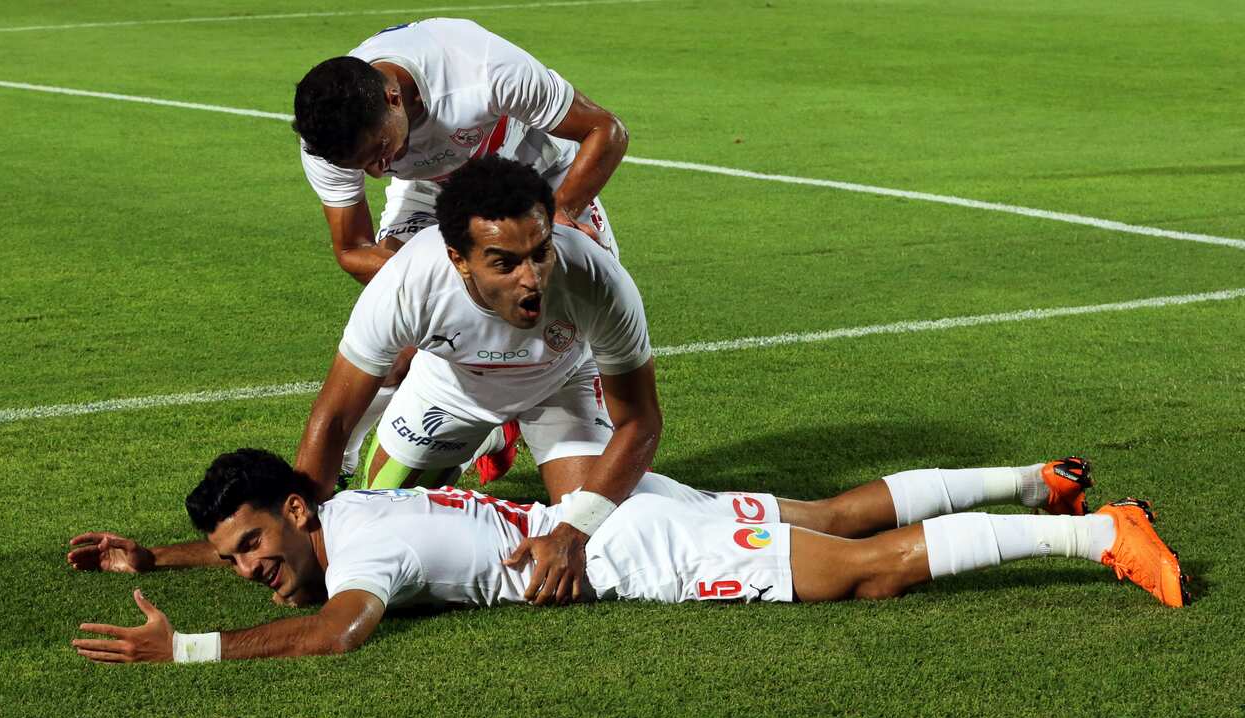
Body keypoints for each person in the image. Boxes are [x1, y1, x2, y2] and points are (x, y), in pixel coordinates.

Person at [67, 450, 1189, 664]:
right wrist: (161, 561)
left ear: (302, 512)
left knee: (867, 566)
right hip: (620, 499)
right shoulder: (345, 507)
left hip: (631, 546)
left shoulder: (371, 544)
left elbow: (336, 623)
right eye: (232, 557)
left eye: (252, 543)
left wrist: (193, 650)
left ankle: (1098, 531)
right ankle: (1032, 478)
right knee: (833, 513)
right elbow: (288, 563)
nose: (246, 564)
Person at [291, 155, 661, 601]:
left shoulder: (596, 278)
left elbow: (640, 421)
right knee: (379, 511)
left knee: (607, 531)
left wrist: (573, 531)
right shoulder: (408, 281)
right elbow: (332, 419)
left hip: (562, 385)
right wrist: (305, 539)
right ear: (459, 260)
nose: (533, 279)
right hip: (454, 389)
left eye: (541, 253)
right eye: (505, 264)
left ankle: (514, 431)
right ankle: (492, 435)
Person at [293, 17, 630, 481]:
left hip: (538, 178)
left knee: (568, 310)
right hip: (433, 192)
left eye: (380, 152)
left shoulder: (477, 68)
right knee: (400, 334)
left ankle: (521, 413)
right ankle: (350, 461)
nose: (376, 171)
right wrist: (437, 290)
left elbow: (606, 131)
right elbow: (353, 248)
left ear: (394, 97)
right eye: (363, 165)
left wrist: (560, 218)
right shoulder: (328, 139)